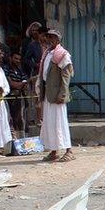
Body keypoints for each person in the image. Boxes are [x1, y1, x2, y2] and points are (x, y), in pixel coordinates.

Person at [39, 29, 74, 162]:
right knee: (49, 123)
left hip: (57, 95)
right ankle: (54, 151)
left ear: (58, 40)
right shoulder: (47, 53)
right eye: (49, 37)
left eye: (53, 38)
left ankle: (69, 150)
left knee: (60, 123)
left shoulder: (63, 54)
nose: (50, 40)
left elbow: (66, 76)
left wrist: (63, 94)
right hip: (49, 94)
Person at [3, 51, 30, 136]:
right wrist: (20, 84)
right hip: (9, 98)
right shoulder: (5, 69)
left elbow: (25, 83)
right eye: (15, 58)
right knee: (10, 119)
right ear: (10, 58)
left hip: (20, 98)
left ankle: (20, 139)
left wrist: (20, 85)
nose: (17, 61)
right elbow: (10, 84)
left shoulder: (20, 70)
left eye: (19, 59)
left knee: (21, 120)